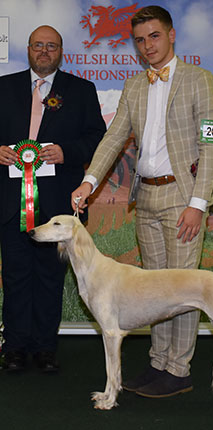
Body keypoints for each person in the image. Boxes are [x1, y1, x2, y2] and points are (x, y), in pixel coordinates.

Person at [72, 5, 213, 397]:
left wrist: (198, 203)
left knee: (185, 287)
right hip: (147, 198)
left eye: (154, 36)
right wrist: (89, 182)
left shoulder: (199, 79)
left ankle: (179, 369)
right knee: (154, 291)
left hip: (182, 197)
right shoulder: (134, 86)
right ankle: (159, 363)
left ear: (172, 35)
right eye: (140, 40)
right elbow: (112, 139)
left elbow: (211, 144)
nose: (147, 46)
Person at [0, 25, 106, 372]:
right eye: (38, 45)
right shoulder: (4, 87)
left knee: (50, 280)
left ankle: (46, 349)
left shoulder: (81, 90)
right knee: (15, 278)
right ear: (28, 49)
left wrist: (66, 152)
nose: (44, 51)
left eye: (52, 46)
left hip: (58, 208)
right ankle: (14, 348)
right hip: (9, 203)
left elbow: (97, 139)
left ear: (61, 52)